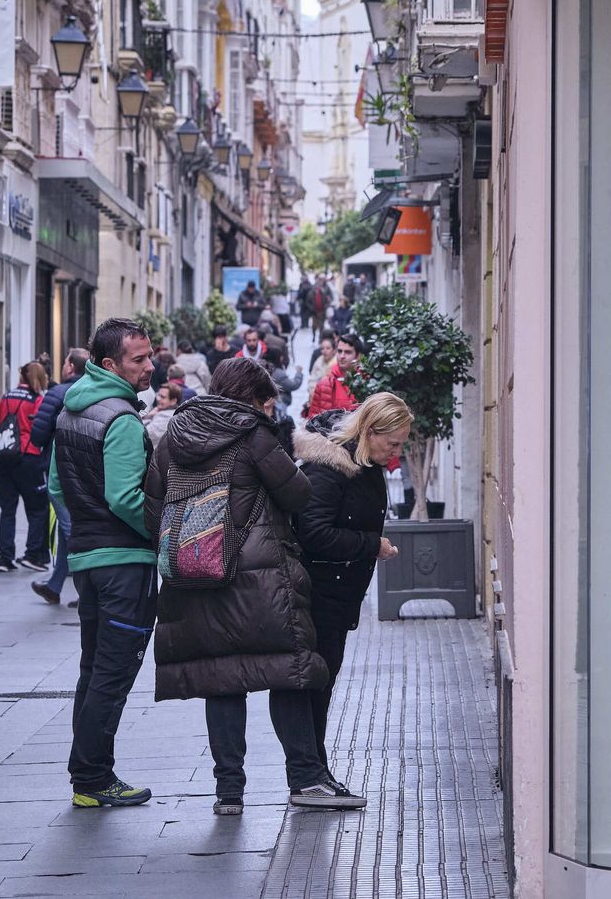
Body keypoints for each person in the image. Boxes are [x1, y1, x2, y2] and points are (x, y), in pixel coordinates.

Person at [146, 358, 365, 813]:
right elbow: (299, 494)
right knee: (287, 670)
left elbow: (154, 506)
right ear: (252, 397)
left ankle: (229, 793)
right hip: (259, 576)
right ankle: (305, 779)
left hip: (195, 575)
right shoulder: (253, 434)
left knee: (221, 678)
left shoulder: (174, 435)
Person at [49, 318, 159, 808]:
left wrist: (81, 537)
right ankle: (94, 779)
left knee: (93, 670)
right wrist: (164, 534)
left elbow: (56, 487)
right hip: (124, 564)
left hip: (89, 563)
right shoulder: (122, 418)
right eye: (138, 359)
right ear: (110, 364)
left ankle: (87, 778)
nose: (149, 366)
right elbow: (125, 497)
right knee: (112, 675)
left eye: (149, 356)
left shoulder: (71, 411)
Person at [293, 394, 412, 783]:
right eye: (392, 444)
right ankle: (310, 776)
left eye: (400, 446)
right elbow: (313, 533)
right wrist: (370, 545)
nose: (395, 454)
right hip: (317, 594)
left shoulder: (363, 462)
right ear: (369, 430)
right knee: (313, 685)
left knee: (321, 684)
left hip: (338, 594)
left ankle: (315, 772)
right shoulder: (330, 467)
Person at [28, 347, 88, 606]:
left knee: (70, 529)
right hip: (87, 472)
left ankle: (88, 591)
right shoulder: (95, 393)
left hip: (61, 471)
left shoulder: (59, 392)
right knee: (67, 530)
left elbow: (38, 434)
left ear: (70, 367)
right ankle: (54, 586)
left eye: (65, 362)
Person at [0, 362, 50, 573]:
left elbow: (0, 423)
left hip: (5, 456)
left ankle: (4, 559)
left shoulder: (6, 397)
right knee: (37, 510)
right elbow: (40, 429)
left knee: (7, 510)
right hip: (29, 457)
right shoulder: (37, 400)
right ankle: (32, 554)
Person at [307, 333, 364, 419]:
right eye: (339, 351)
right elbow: (312, 421)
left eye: (348, 352)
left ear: (358, 356)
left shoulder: (366, 383)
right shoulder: (323, 384)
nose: (342, 356)